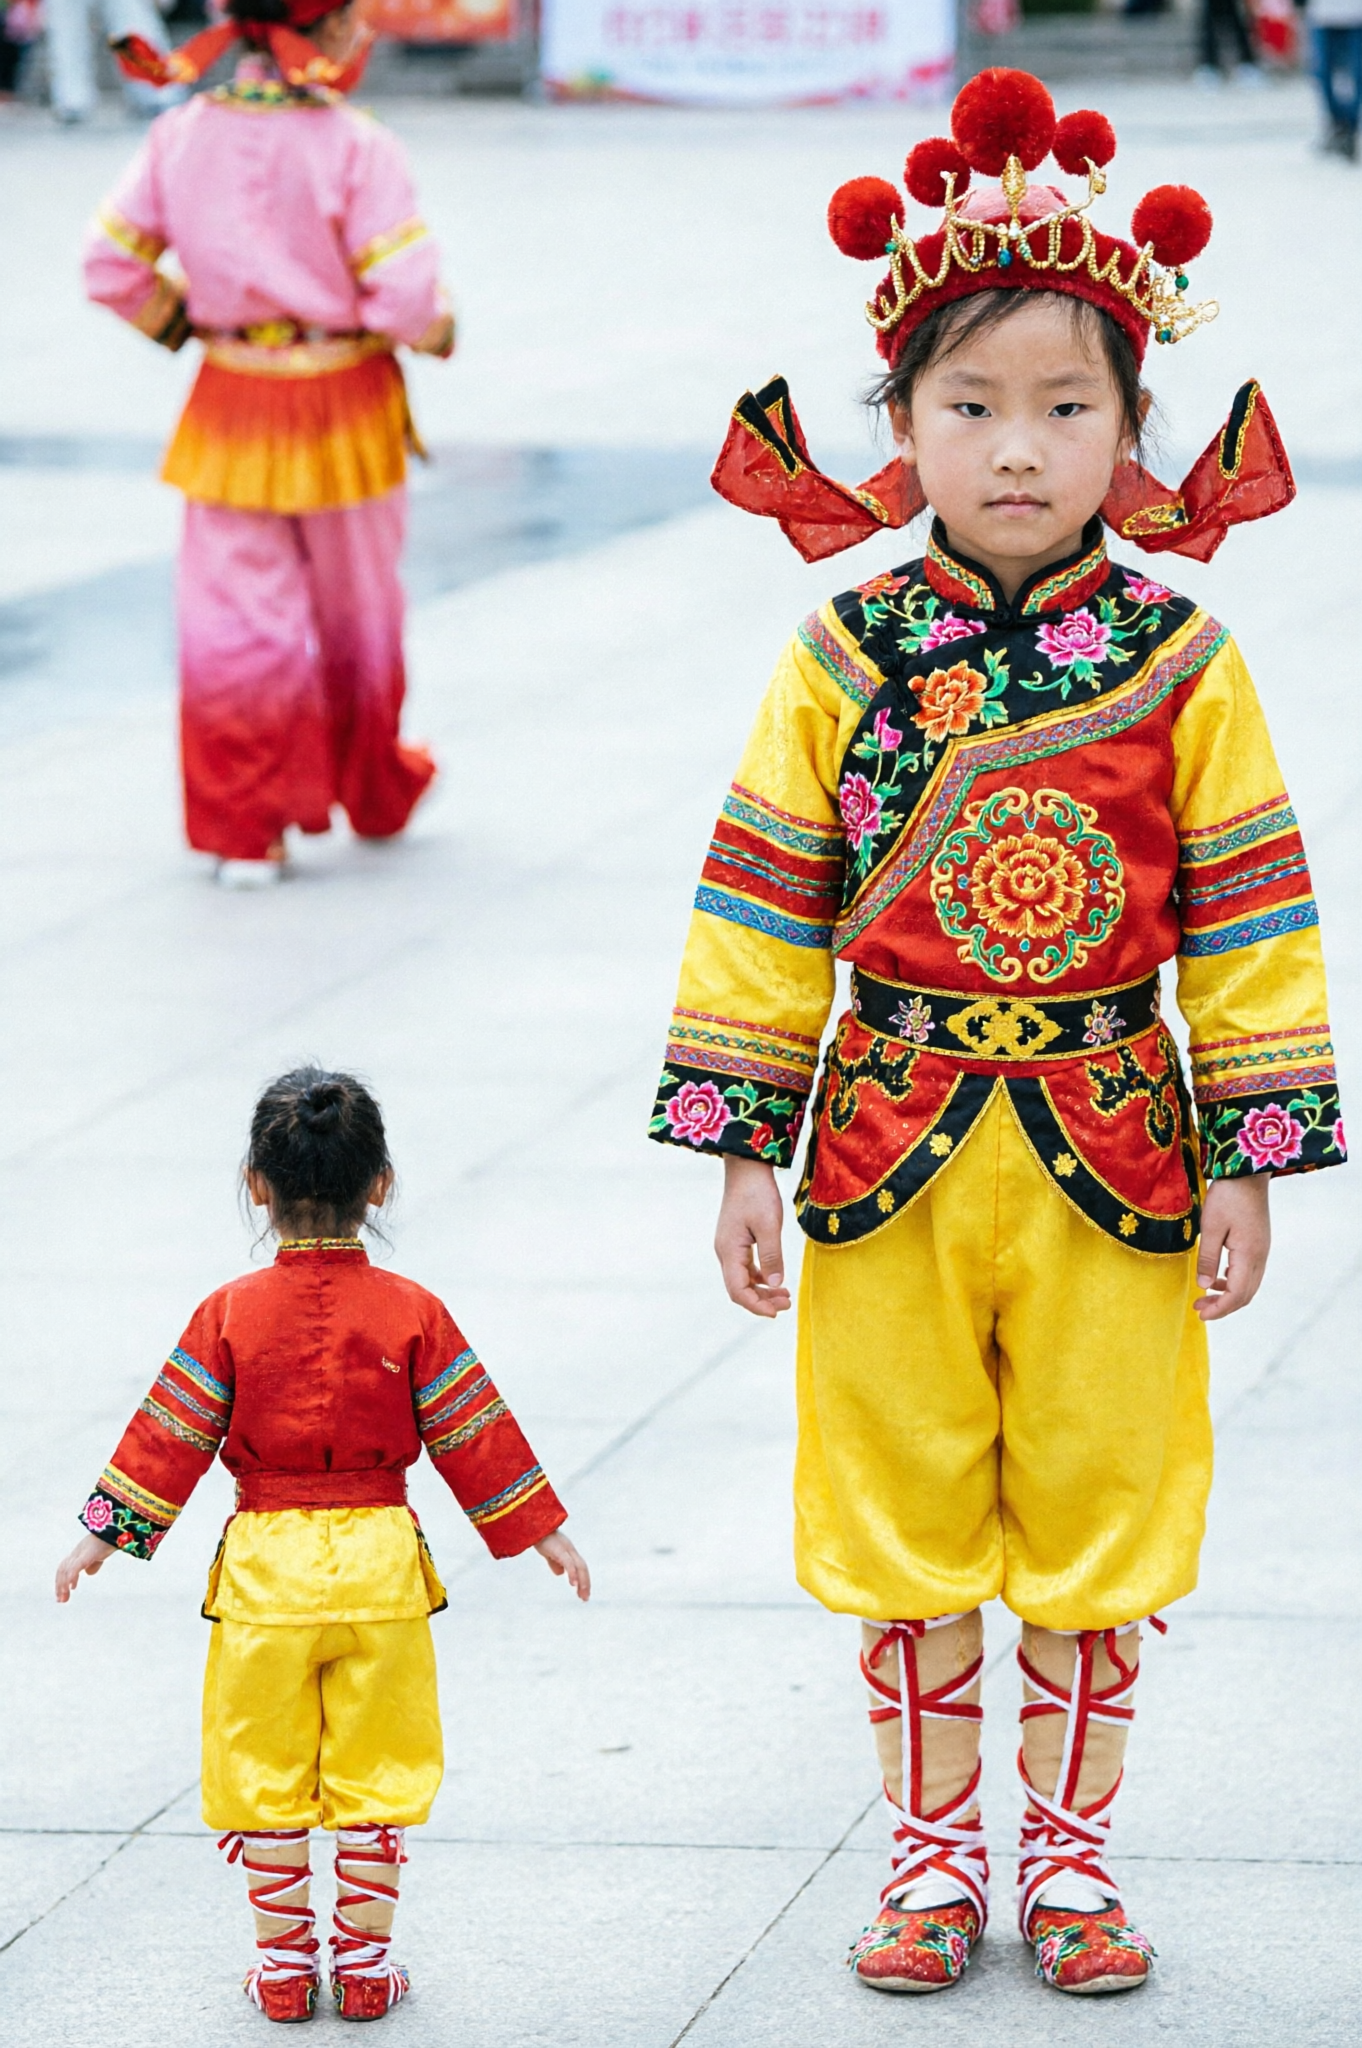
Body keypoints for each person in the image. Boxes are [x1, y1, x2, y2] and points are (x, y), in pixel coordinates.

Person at [653, 68, 1343, 1995]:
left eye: (1066, 408)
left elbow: (1256, 919)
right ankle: (932, 1855)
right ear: (898, 426)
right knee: (898, 1506)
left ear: (1137, 431)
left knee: (1102, 1505)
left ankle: (1072, 1858)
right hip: (881, 1139)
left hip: (1118, 1144)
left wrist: (1250, 1156)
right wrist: (740, 1149)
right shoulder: (838, 652)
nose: (1017, 450)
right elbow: (764, 902)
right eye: (970, 408)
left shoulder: (1188, 661)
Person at [54, 1068, 589, 2023]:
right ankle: (370, 1964)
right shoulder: (411, 1310)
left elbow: (171, 1432)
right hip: (382, 1563)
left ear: (255, 1183)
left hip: (266, 1573)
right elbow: (472, 1427)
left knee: (263, 1769)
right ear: (378, 1183)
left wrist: (102, 1537)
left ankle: (287, 1969)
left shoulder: (228, 1312)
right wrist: (541, 1529)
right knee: (377, 1766)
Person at [82, 0, 449, 886]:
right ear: (321, 33)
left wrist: (190, 324)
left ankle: (247, 829)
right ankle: (369, 789)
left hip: (231, 400)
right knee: (360, 615)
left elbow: (108, 266)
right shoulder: (359, 143)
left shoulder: (180, 135)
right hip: (345, 407)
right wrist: (435, 332)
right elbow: (404, 300)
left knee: (234, 623)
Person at [1305, 0, 1361, 159]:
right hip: (1322, 15)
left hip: (1357, 14)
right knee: (1322, 72)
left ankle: (1352, 126)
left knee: (1358, 74)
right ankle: (1337, 124)